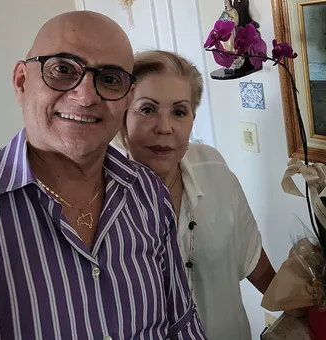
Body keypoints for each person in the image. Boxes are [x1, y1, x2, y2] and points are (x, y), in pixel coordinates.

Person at [0, 12, 207, 339]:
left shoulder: (147, 192)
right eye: (62, 70)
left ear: (126, 98)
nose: (85, 97)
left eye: (109, 79)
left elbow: (181, 323)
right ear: (22, 81)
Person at [118, 49, 276, 340]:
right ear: (123, 115)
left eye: (179, 112)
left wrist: (308, 311)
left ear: (192, 119)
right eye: (147, 109)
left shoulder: (213, 169)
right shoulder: (100, 200)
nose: (164, 127)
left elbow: (253, 259)